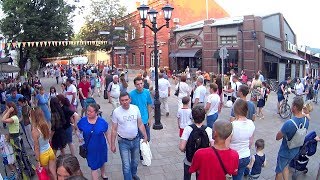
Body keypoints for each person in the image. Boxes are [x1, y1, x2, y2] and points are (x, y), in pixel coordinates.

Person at [110, 92, 148, 180]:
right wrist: (112, 144)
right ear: (119, 101)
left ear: (130, 99)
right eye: (122, 100)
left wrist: (145, 136)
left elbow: (140, 124)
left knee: (135, 162)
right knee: (126, 165)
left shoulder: (135, 109)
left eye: (126, 100)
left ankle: (133, 174)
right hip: (123, 142)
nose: (125, 102)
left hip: (135, 140)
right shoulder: (116, 112)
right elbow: (114, 129)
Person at [275, 96, 309, 180]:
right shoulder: (306, 121)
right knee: (285, 166)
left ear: (295, 107)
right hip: (295, 150)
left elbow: (277, 137)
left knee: (278, 171)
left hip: (285, 151)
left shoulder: (289, 123)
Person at [179, 106, 214, 180]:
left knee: (187, 176)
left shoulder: (188, 129)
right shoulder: (209, 130)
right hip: (203, 160)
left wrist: (185, 149)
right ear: (204, 117)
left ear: (192, 117)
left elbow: (181, 147)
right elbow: (213, 147)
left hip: (190, 158)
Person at [77, 104, 110, 180]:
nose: (88, 113)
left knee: (102, 161)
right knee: (93, 167)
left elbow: (107, 133)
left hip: (101, 146)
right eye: (87, 111)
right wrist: (79, 137)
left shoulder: (102, 122)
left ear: (96, 112)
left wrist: (111, 144)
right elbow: (77, 130)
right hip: (89, 149)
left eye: (91, 111)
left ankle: (103, 173)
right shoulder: (83, 121)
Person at [230, 99, 255, 180]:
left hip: (234, 157)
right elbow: (250, 142)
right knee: (238, 176)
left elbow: (227, 144)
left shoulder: (232, 125)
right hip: (246, 155)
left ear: (235, 110)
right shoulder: (251, 123)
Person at [30, 107, 57, 180]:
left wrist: (37, 160)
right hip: (50, 151)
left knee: (47, 174)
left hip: (43, 154)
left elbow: (37, 147)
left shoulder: (35, 131)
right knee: (53, 172)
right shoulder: (46, 124)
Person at [129, 76, 152, 142]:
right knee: (137, 140)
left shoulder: (146, 92)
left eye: (141, 83)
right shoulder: (131, 94)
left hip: (145, 119)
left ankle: (145, 151)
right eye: (138, 84)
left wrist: (149, 118)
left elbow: (149, 105)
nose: (140, 85)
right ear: (135, 85)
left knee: (147, 139)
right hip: (135, 121)